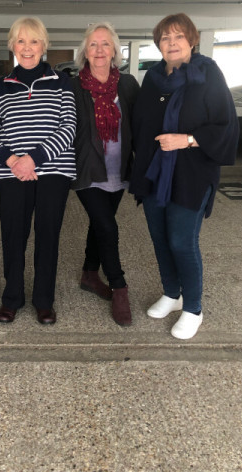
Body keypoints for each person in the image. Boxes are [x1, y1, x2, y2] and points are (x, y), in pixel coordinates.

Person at [130, 13, 239, 340]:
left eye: (178, 36)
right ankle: (171, 293)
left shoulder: (208, 74)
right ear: (158, 44)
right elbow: (140, 121)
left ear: (192, 40)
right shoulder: (152, 78)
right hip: (154, 173)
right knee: (160, 239)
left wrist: (188, 139)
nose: (172, 43)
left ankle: (193, 307)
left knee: (181, 240)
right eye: (165, 38)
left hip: (192, 173)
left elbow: (226, 124)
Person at [0, 17, 76, 325]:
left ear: (44, 46)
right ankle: (13, 298)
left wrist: (33, 159)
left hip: (52, 173)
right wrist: (12, 160)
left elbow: (68, 128)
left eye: (34, 41)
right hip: (11, 175)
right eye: (21, 41)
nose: (28, 47)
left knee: (48, 236)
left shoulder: (62, 84)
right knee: (13, 237)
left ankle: (44, 300)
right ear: (12, 46)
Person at [71, 22, 139, 326]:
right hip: (87, 169)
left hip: (119, 170)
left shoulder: (127, 85)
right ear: (85, 51)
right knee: (108, 227)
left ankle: (89, 273)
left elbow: (140, 125)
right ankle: (119, 286)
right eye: (94, 44)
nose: (99, 50)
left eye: (105, 44)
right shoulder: (73, 86)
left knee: (101, 224)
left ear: (115, 51)